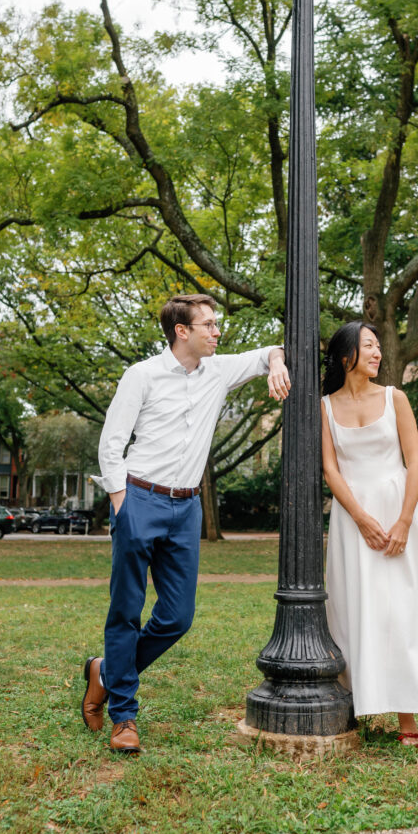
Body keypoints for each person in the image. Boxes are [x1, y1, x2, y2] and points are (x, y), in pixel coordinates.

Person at [82, 293, 290, 754]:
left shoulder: (218, 370)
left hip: (186, 509)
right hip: (139, 499)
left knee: (177, 617)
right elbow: (111, 442)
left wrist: (276, 363)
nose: (217, 332)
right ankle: (124, 718)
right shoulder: (142, 375)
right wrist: (122, 503)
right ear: (183, 331)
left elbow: (268, 352)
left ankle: (105, 672)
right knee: (126, 611)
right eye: (209, 325)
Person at [321, 321, 418, 763]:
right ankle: (400, 718)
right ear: (346, 355)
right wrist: (361, 518)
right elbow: (331, 470)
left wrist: (403, 521)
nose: (378, 353)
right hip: (353, 520)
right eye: (369, 346)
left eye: (378, 346)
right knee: (367, 612)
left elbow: (415, 459)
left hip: (400, 511)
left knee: (407, 611)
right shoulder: (323, 407)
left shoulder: (395, 398)